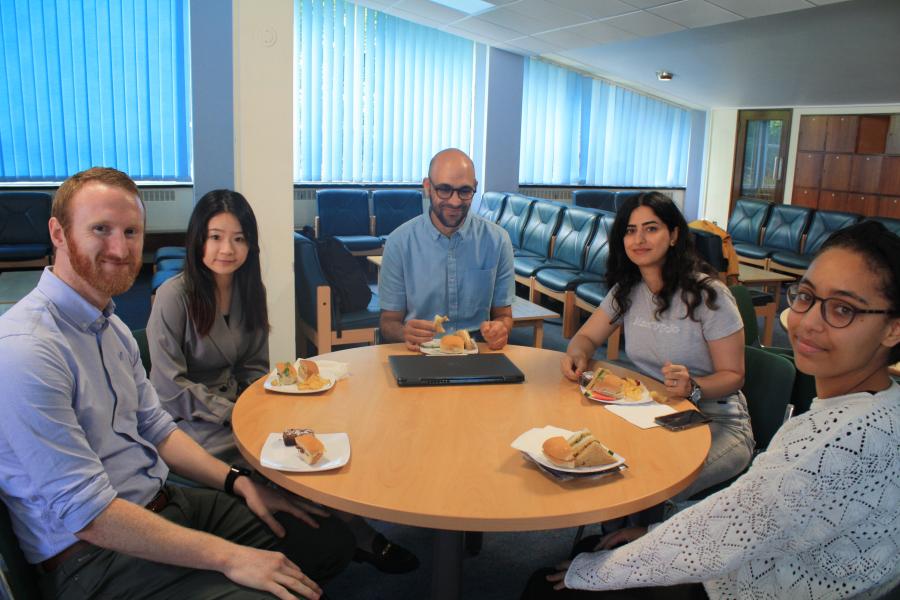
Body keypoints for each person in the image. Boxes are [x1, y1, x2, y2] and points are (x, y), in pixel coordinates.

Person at [0, 168, 355, 600]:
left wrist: (241, 484)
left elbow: (158, 429)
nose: (120, 247)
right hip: (93, 555)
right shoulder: (26, 349)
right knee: (268, 587)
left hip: (164, 502)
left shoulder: (111, 328)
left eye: (131, 231)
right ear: (58, 232)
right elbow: (89, 513)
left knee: (325, 541)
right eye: (101, 229)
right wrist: (228, 557)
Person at [524, 220, 900, 599]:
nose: (810, 322)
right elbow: (749, 516)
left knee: (553, 579)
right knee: (599, 539)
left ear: (893, 329)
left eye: (842, 309)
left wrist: (592, 571)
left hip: (740, 565)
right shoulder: (877, 407)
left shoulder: (836, 441)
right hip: (751, 551)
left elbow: (735, 527)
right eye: (805, 297)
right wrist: (657, 533)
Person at [147, 188, 419, 574]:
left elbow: (254, 368)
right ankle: (351, 532)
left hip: (241, 407)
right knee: (279, 458)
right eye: (216, 237)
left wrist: (271, 408)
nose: (227, 249)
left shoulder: (247, 290)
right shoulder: (173, 298)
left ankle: (350, 523)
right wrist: (238, 413)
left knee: (311, 435)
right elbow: (169, 388)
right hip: (193, 422)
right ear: (197, 241)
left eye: (239, 239)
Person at [562, 192, 753, 499]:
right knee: (609, 470)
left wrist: (693, 386)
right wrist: (577, 355)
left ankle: (644, 537)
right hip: (652, 414)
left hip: (714, 418)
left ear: (674, 235)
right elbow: (584, 338)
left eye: (651, 229)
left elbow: (734, 375)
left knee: (659, 488)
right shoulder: (627, 289)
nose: (639, 239)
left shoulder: (709, 295)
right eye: (630, 230)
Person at [379, 148, 514, 350]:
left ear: (474, 188)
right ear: (427, 187)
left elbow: (504, 316)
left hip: (476, 349)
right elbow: (388, 323)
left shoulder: (497, 241)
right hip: (420, 350)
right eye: (444, 189)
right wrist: (403, 332)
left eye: (465, 191)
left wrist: (500, 329)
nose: (454, 201)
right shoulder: (399, 243)